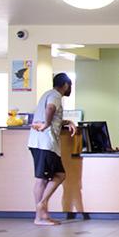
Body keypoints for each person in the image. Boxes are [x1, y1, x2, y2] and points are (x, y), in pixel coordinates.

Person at [28, 72, 77, 226]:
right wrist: (46, 124)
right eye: (70, 86)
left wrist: (66, 122)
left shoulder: (47, 94)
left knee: (42, 178)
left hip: (36, 142)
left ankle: (41, 216)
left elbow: (52, 114)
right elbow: (50, 109)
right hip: (46, 144)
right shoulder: (55, 96)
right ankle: (41, 206)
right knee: (59, 175)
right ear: (66, 85)